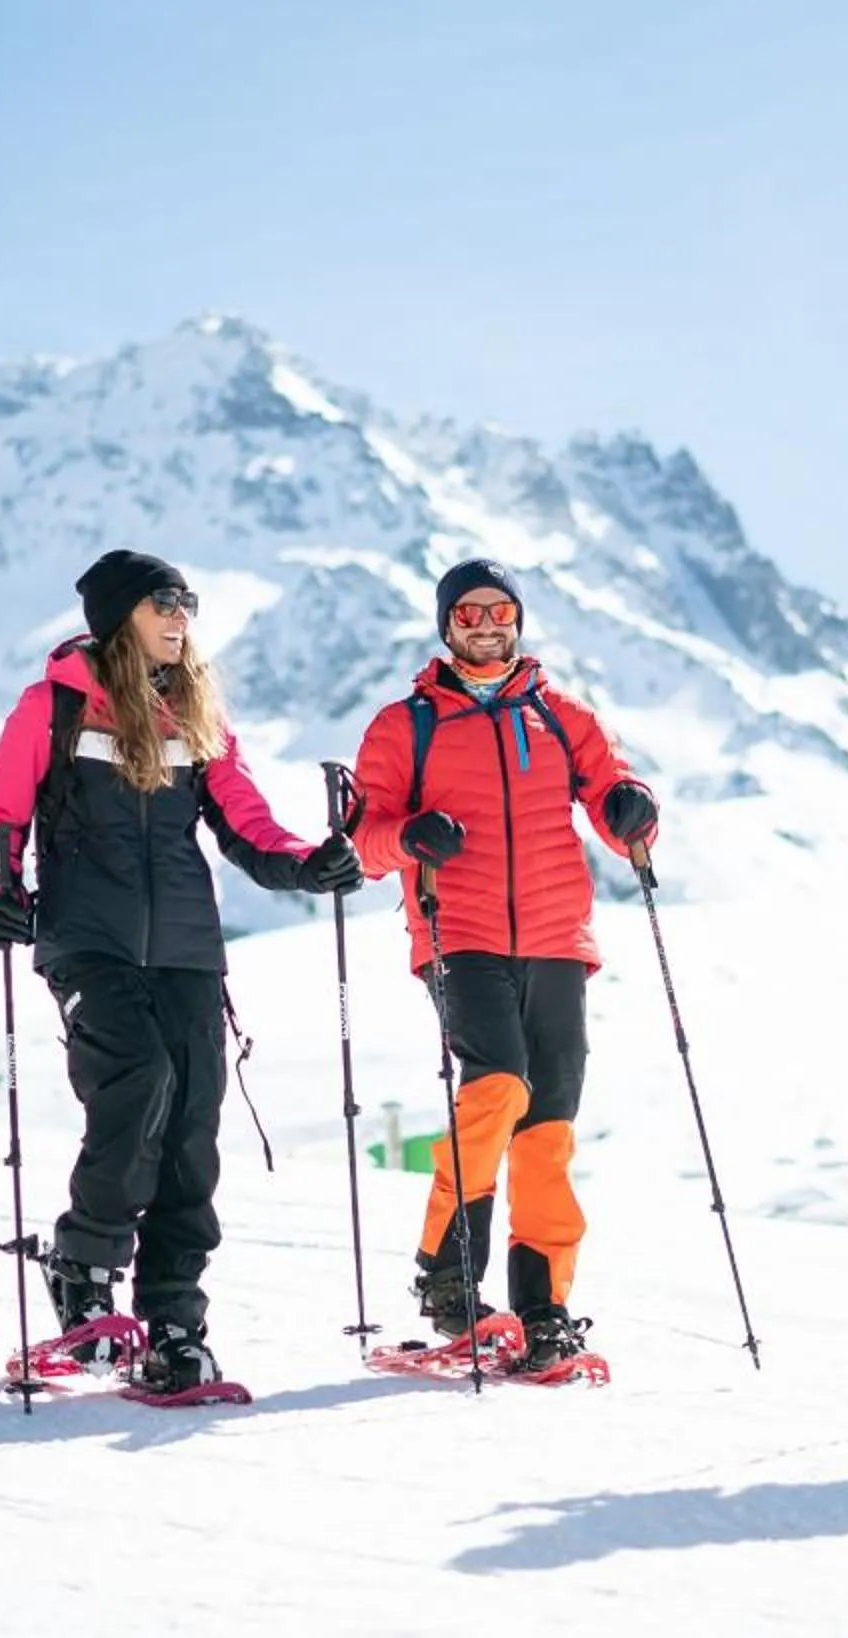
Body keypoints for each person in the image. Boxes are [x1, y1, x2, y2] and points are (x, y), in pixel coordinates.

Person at [0, 549, 360, 1393]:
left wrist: (306, 864)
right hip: (88, 940)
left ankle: (176, 1322)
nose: (181, 615)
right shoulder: (53, 708)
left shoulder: (195, 711)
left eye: (188, 600)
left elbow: (245, 819)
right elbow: (0, 816)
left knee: (191, 1127)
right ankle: (83, 1269)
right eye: (163, 602)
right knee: (136, 1083)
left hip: (187, 948)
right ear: (120, 617)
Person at [346, 559, 657, 1374]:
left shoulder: (562, 716)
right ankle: (448, 1282)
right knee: (496, 1089)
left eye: (500, 611)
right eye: (469, 614)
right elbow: (363, 839)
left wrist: (631, 810)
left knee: (547, 1128)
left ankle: (543, 1307)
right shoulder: (404, 725)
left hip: (558, 938)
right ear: (446, 627)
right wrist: (411, 837)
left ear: (518, 620)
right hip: (461, 933)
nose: (486, 625)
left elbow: (613, 789)